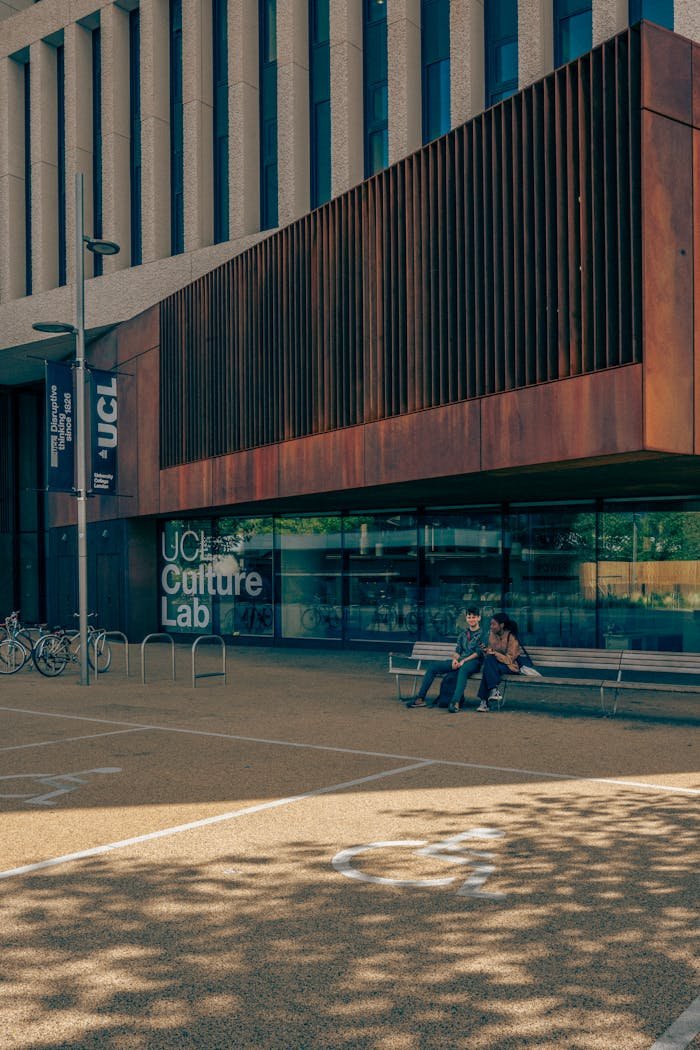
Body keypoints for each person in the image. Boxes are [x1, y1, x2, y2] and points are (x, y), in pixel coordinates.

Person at [407, 607, 484, 713]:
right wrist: (454, 660)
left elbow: (478, 653)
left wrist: (464, 661)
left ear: (479, 618)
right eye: (469, 617)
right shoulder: (463, 634)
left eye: (474, 617)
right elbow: (458, 650)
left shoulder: (483, 634)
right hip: (460, 661)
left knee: (463, 669)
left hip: (474, 662)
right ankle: (420, 698)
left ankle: (455, 702)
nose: (471, 619)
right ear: (466, 618)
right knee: (433, 667)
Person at [475, 612, 525, 712]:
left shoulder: (511, 637)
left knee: (487, 669)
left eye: (493, 624)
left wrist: (494, 653)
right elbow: (490, 655)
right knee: (489, 663)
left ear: (501, 625)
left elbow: (510, 660)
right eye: (490, 624)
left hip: (511, 666)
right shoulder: (492, 635)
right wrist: (486, 651)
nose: (491, 626)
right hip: (495, 665)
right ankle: (493, 691)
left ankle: (484, 701)